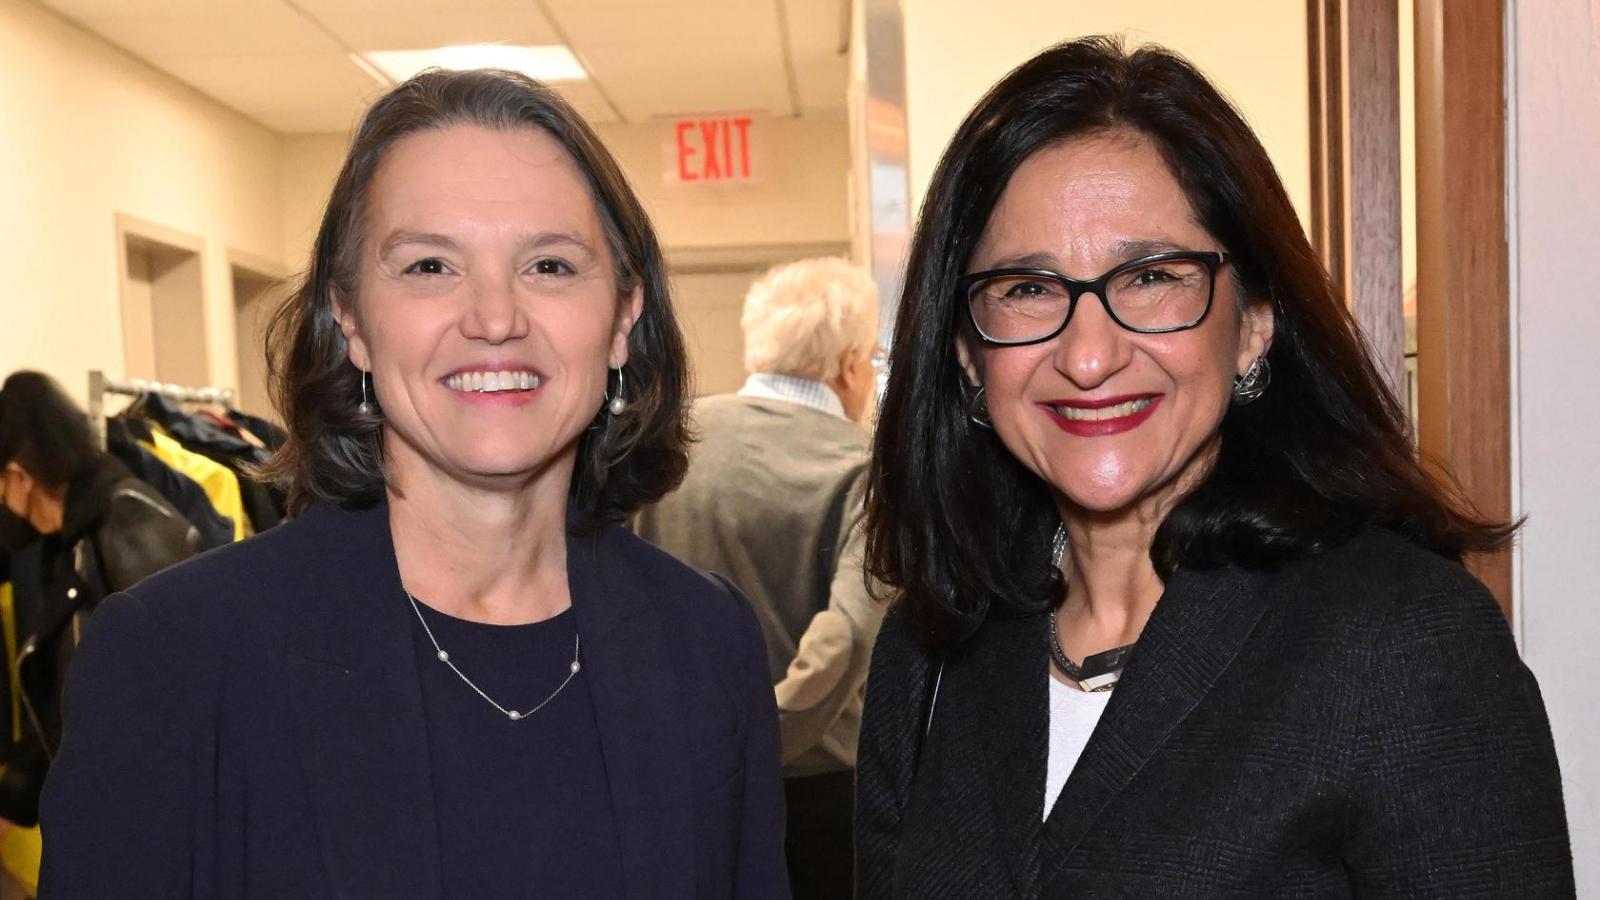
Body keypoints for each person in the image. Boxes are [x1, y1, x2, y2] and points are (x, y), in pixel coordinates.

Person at [39, 69, 787, 899]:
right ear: (351, 319)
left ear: (622, 318)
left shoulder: (706, 642)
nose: (495, 318)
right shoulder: (174, 659)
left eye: (549, 264)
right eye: (430, 265)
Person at [856, 37, 1572, 897]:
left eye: (1152, 276)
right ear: (970, 354)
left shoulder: (1405, 643)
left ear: (1256, 323)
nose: (1089, 356)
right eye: (1029, 288)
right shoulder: (932, 649)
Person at [634, 257, 885, 899]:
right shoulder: (867, 470)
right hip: (816, 787)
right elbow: (849, 638)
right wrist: (759, 737)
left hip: (675, 770)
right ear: (851, 365)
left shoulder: (669, 444)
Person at [0, 372, 198, 829]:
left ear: (18, 477)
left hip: (150, 821)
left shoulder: (126, 524)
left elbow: (179, 694)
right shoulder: (72, 540)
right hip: (117, 813)